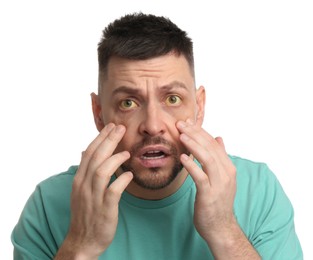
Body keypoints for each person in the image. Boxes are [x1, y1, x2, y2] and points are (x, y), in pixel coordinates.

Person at [11, 13, 303, 260]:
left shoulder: (259, 190)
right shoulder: (48, 206)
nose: (152, 125)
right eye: (128, 102)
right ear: (99, 113)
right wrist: (81, 245)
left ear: (198, 107)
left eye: (172, 99)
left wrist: (224, 229)